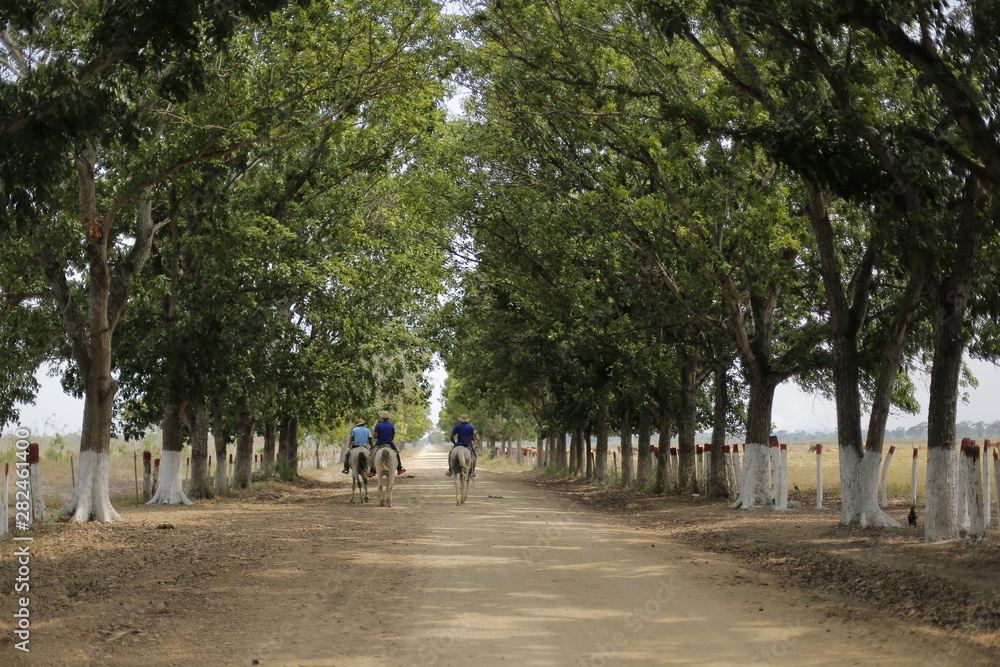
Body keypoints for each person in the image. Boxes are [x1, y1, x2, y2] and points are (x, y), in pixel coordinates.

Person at [369, 411, 406, 477]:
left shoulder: (378, 425)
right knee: (396, 453)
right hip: (389, 442)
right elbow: (393, 436)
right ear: (388, 418)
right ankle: (399, 468)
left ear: (382, 418)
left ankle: (372, 470)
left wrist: (377, 437)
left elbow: (375, 435)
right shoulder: (391, 425)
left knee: (373, 453)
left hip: (379, 442)